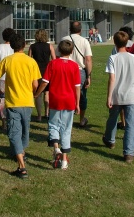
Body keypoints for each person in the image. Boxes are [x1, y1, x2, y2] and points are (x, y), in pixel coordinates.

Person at [0, 33, 41, 179]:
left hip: (13, 101)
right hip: (27, 101)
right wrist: (34, 93)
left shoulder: (7, 61)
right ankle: (21, 158)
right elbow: (35, 84)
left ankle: (22, 166)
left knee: (14, 131)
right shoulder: (31, 61)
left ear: (12, 46)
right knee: (24, 130)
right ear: (24, 45)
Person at [34, 39, 81, 170]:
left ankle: (56, 148)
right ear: (71, 52)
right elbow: (77, 87)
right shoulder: (74, 66)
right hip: (69, 100)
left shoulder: (53, 64)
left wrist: (37, 93)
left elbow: (44, 82)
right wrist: (77, 103)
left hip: (55, 99)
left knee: (53, 125)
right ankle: (64, 160)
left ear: (59, 50)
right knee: (66, 129)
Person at [103, 30, 134, 163]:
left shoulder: (113, 58)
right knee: (130, 124)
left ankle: (110, 140)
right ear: (127, 42)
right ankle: (129, 153)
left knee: (112, 119)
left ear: (114, 42)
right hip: (131, 95)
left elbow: (112, 78)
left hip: (117, 95)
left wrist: (109, 96)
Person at [111, 26, 134, 130]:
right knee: (131, 103)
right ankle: (129, 124)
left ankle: (123, 122)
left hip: (119, 78)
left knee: (120, 101)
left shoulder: (116, 47)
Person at [61, 21, 93, 127]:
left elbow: (58, 57)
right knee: (82, 95)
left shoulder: (64, 39)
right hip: (80, 70)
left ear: (70, 29)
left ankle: (65, 118)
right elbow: (88, 60)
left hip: (65, 69)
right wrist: (89, 75)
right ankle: (81, 119)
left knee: (65, 93)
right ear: (80, 30)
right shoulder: (84, 41)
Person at [0, 27, 16, 131]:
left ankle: (4, 122)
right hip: (13, 76)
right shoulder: (15, 47)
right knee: (12, 99)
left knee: (1, 99)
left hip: (1, 76)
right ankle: (12, 121)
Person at [28, 29, 56, 121]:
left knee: (38, 94)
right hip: (47, 71)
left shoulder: (32, 46)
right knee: (47, 93)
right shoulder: (50, 46)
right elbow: (54, 60)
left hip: (36, 71)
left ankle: (39, 115)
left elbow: (29, 60)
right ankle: (47, 113)